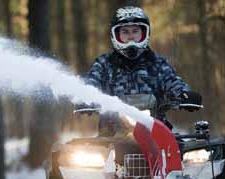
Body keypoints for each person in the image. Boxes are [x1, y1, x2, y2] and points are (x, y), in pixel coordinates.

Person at [85, 6, 202, 135]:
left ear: (144, 33)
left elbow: (173, 82)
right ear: (116, 35)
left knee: (191, 152)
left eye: (135, 31)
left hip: (156, 136)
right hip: (110, 139)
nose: (131, 37)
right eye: (125, 32)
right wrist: (85, 98)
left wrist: (184, 95)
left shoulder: (157, 64)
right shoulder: (103, 65)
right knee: (77, 153)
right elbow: (91, 83)